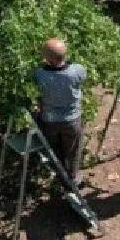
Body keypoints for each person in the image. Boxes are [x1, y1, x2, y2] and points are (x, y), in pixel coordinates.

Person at [34, 38, 87, 191]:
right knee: (72, 150)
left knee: (55, 150)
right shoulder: (76, 70)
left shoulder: (40, 74)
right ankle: (73, 178)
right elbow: (83, 78)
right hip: (71, 120)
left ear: (48, 58)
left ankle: (60, 177)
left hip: (49, 120)